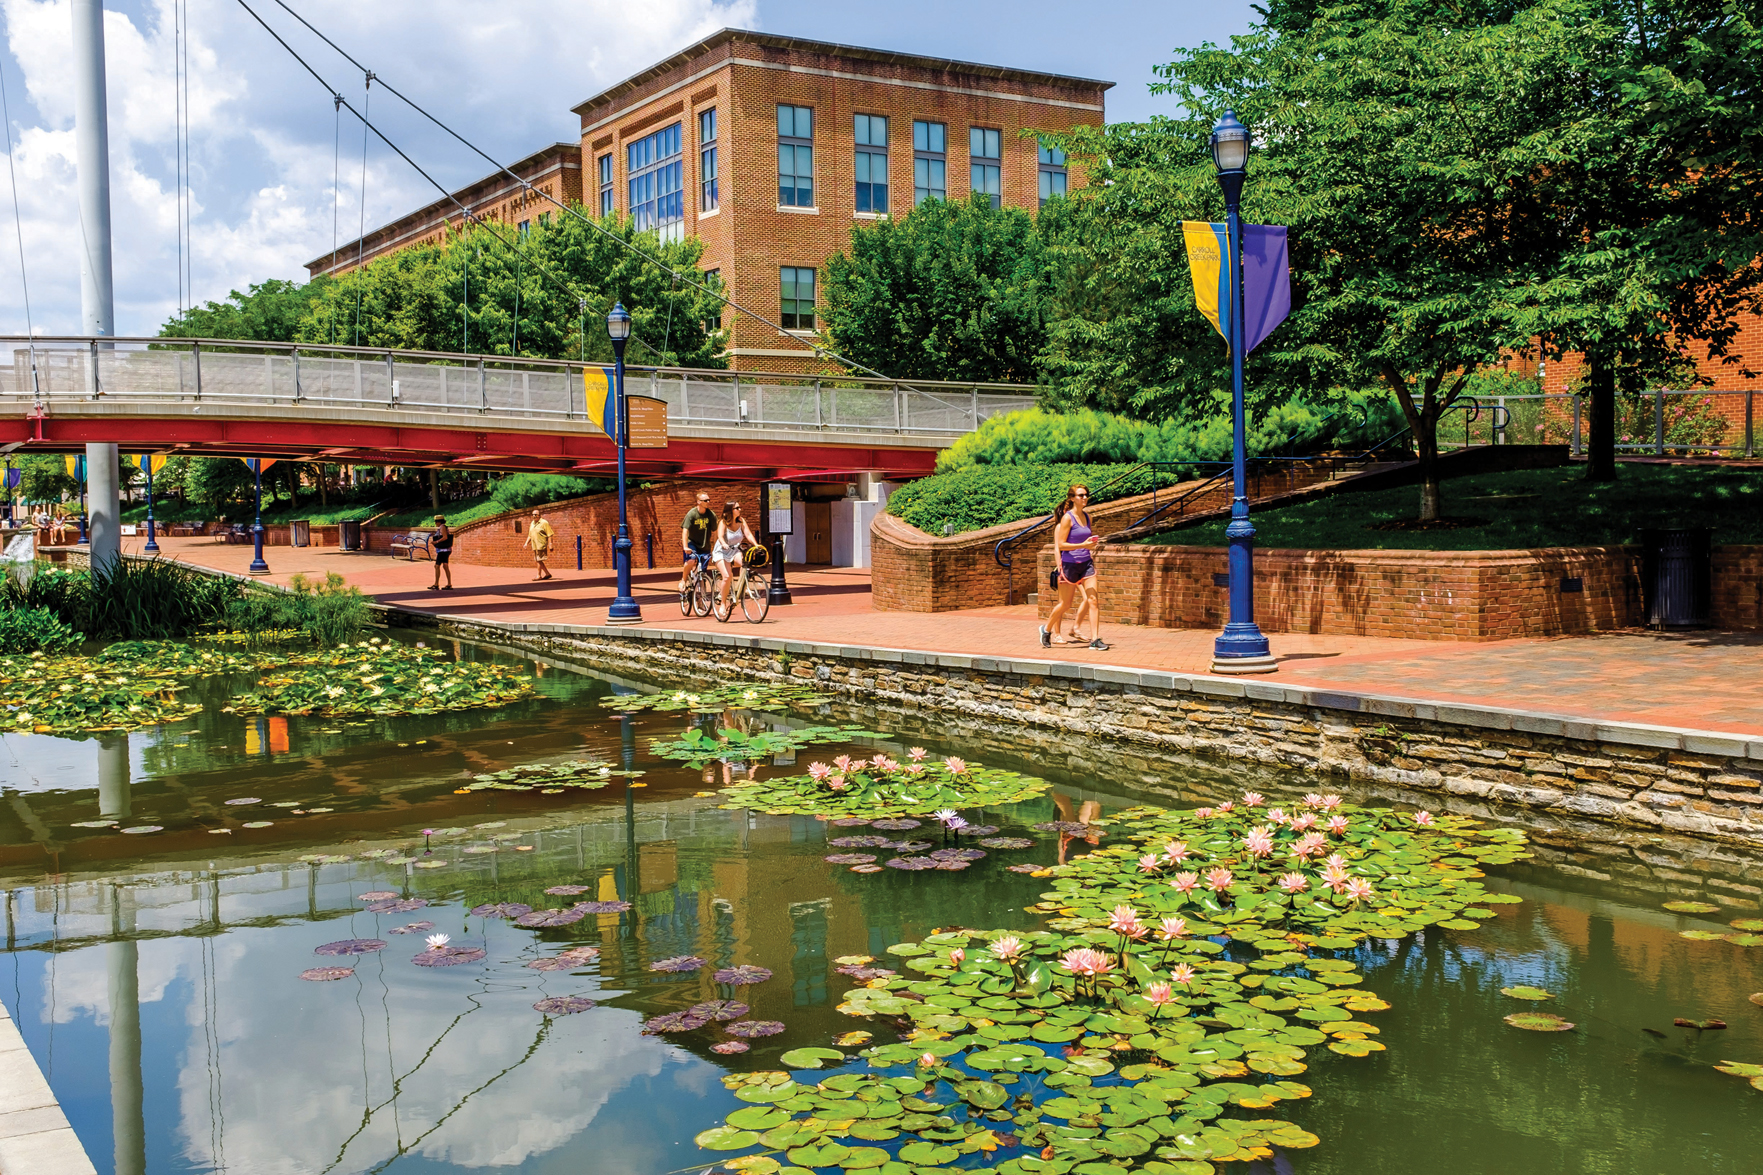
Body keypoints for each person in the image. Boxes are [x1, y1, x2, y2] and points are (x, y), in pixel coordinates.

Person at [1040, 484, 1109, 650]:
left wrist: (1090, 545)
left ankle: (1095, 639)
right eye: (1080, 495)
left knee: (1093, 599)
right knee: (1065, 604)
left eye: (1086, 495)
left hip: (1086, 564)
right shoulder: (1067, 519)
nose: (1084, 498)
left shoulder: (1088, 517)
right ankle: (1046, 629)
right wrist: (1082, 544)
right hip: (1069, 565)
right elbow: (1061, 545)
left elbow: (1085, 541)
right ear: (1072, 498)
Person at [712, 500, 757, 612]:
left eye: (739, 507)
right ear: (730, 511)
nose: (739, 510)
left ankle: (741, 588)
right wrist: (724, 544)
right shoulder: (723, 522)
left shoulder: (741, 521)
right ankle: (722, 604)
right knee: (727, 576)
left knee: (745, 563)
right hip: (721, 551)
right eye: (737, 508)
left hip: (734, 550)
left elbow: (748, 534)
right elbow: (720, 536)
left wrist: (756, 545)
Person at [679, 492, 717, 595]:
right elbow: (685, 530)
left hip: (705, 545)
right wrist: (685, 546)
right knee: (691, 561)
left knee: (702, 573)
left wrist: (715, 547)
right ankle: (683, 579)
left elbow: (715, 532)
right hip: (692, 543)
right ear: (698, 502)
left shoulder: (711, 515)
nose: (708, 502)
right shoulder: (692, 513)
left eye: (709, 500)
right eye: (705, 500)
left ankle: (701, 598)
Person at [523, 508, 555, 580]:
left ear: (539, 515)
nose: (534, 516)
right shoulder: (532, 523)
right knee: (538, 559)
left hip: (541, 544)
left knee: (538, 559)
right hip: (534, 545)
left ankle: (539, 575)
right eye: (533, 515)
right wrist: (526, 543)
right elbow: (530, 535)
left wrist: (550, 544)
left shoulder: (544, 523)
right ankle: (547, 573)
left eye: (535, 514)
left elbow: (549, 534)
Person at [430, 515, 454, 590]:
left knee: (437, 566)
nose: (435, 523)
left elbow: (445, 537)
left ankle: (436, 584)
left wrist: (436, 541)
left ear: (438, 522)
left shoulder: (442, 527)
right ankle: (449, 583)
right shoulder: (443, 527)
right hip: (446, 550)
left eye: (436, 522)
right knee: (445, 566)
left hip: (443, 550)